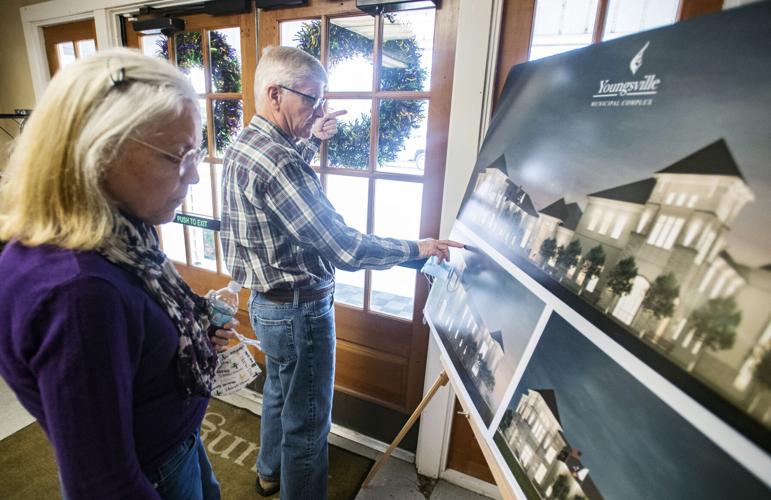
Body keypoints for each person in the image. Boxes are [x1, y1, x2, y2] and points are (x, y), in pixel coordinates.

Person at [220, 46, 463, 499]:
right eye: (311, 99)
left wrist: (311, 138)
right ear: (276, 94)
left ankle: (268, 473)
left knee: (278, 392)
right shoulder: (279, 162)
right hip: (300, 313)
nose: (318, 110)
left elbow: (279, 196)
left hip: (266, 306)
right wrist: (419, 248)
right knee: (308, 424)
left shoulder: (246, 145)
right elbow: (344, 247)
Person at [0, 48, 236, 499]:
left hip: (175, 442)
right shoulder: (79, 291)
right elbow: (102, 485)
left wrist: (194, 322)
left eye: (196, 153)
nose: (193, 177)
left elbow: (138, 315)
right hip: (155, 473)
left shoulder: (117, 231)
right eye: (176, 156)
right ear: (99, 152)